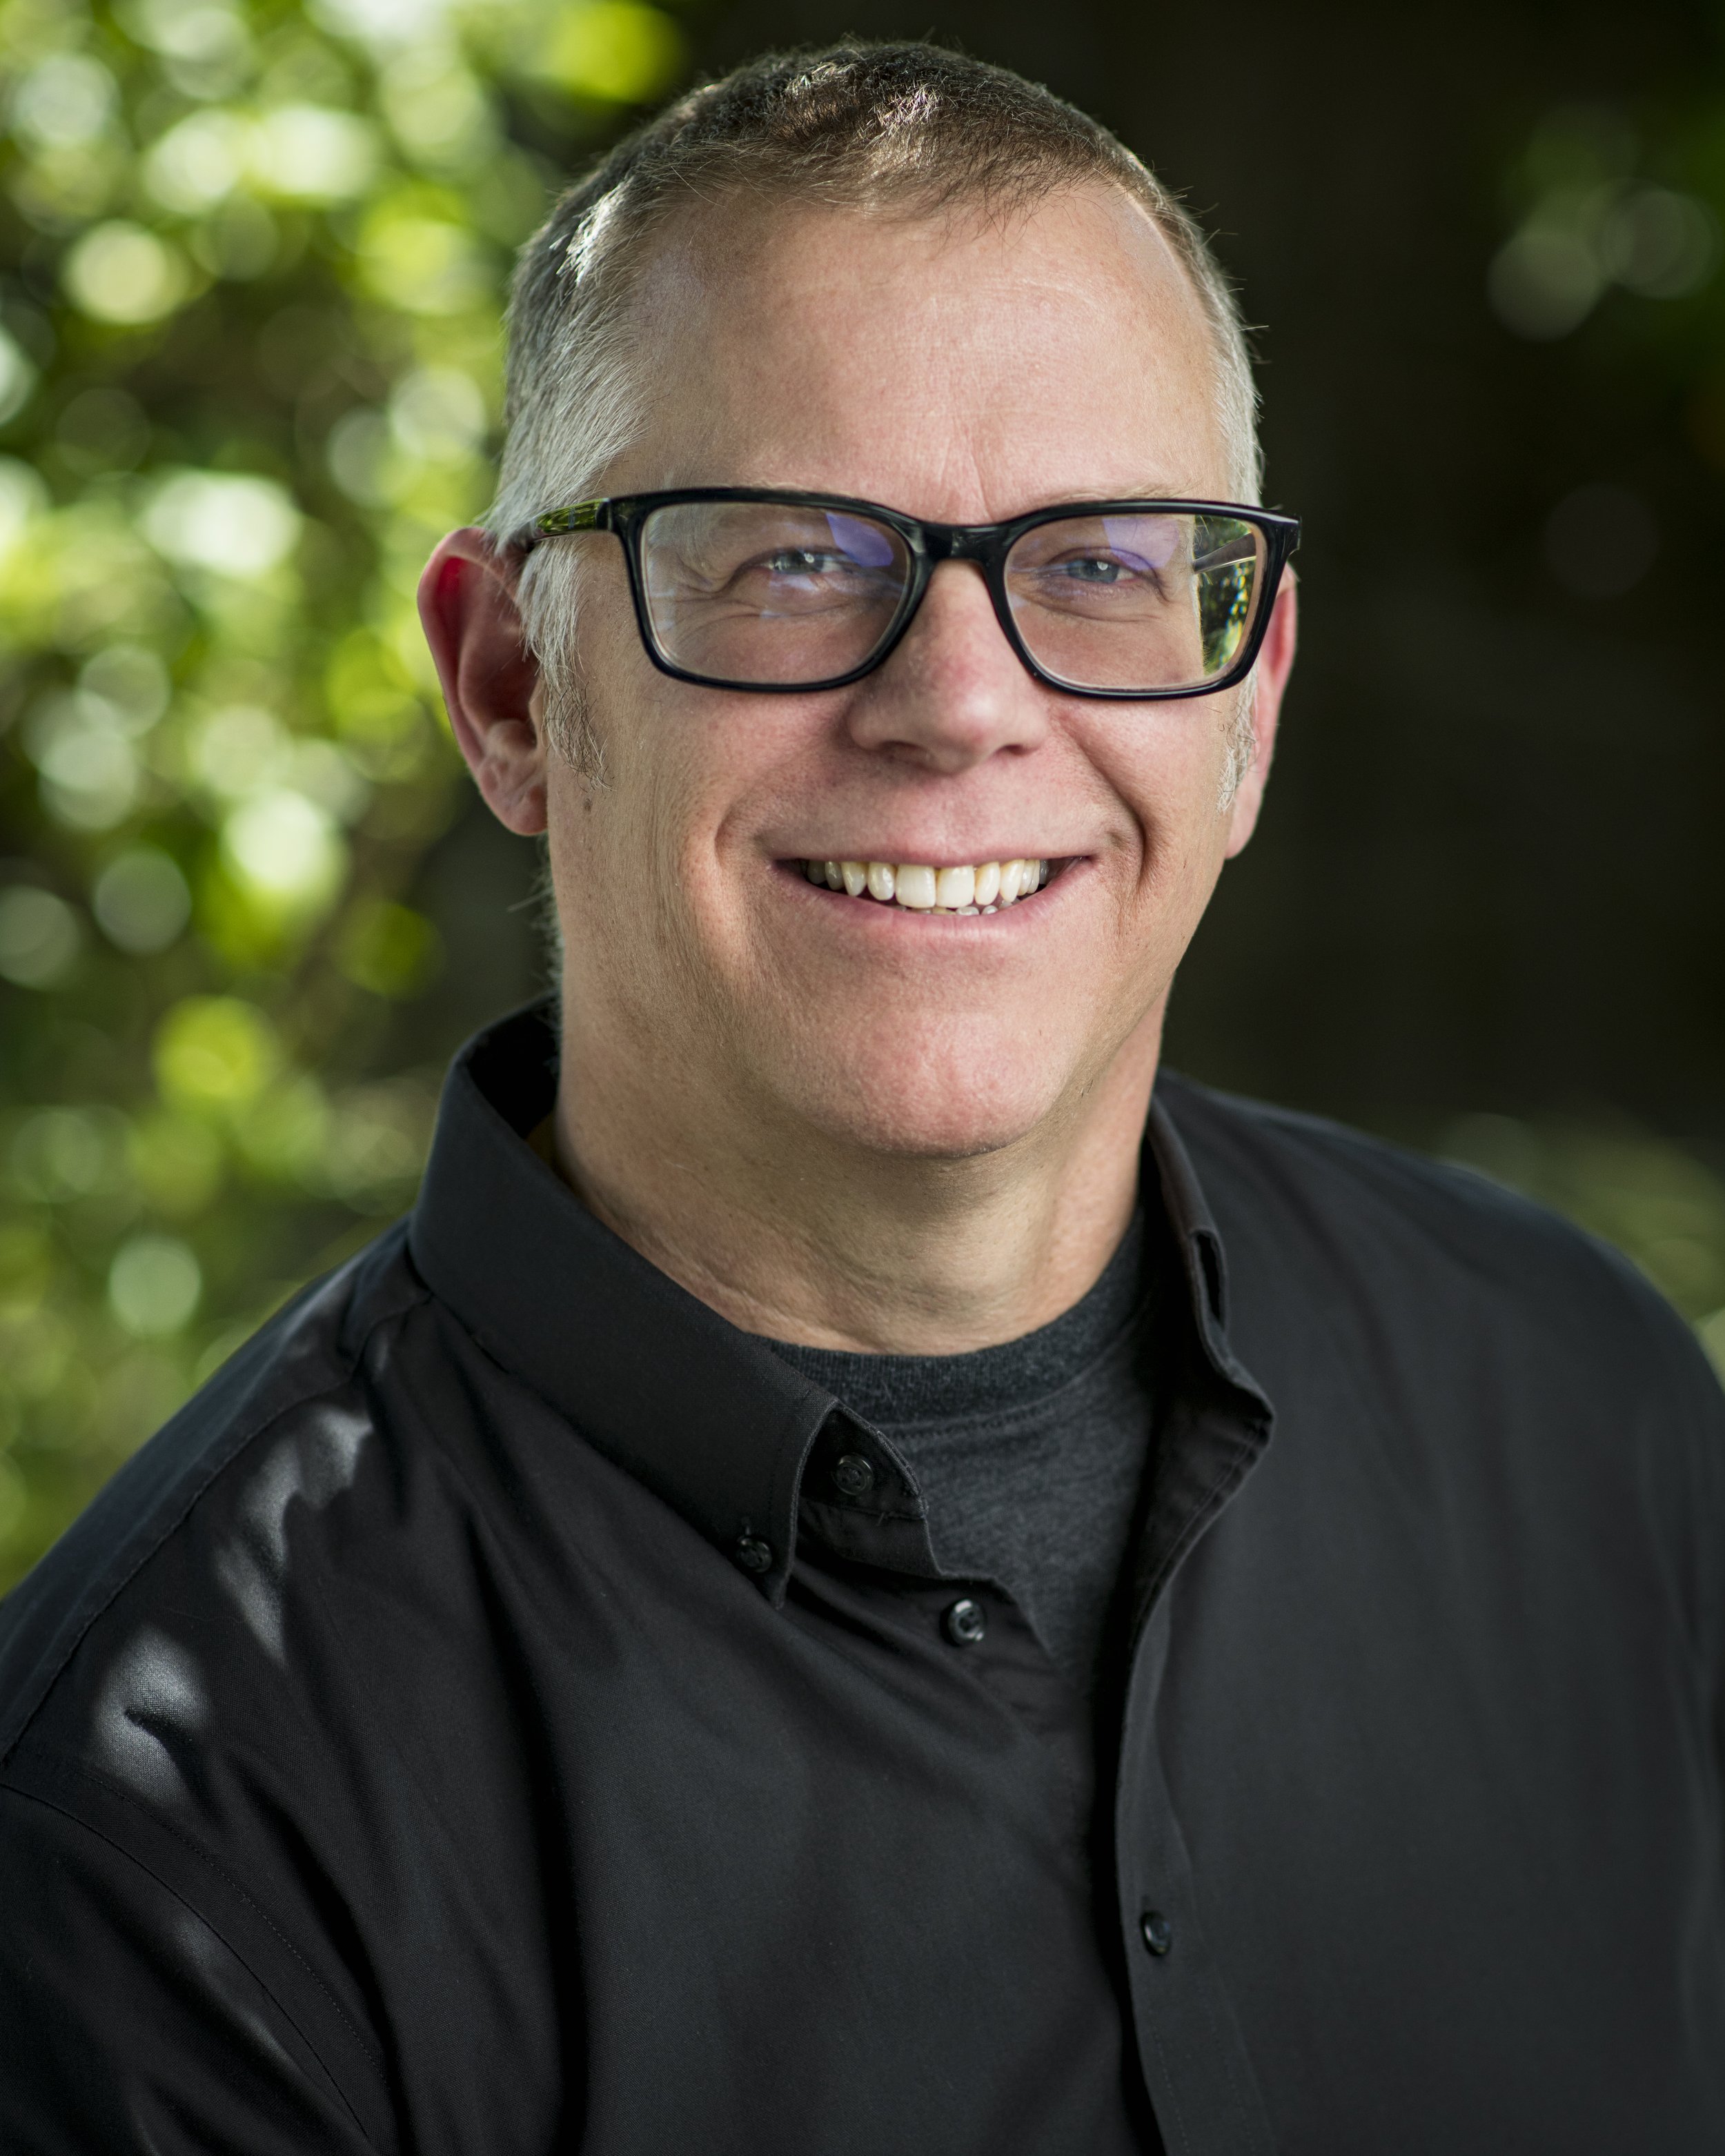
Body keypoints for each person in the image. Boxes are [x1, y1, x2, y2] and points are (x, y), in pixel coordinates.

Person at [1, 39, 1721, 2155]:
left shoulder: (1585, 1410)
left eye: (1100, 564)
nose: (960, 702)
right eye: (790, 559)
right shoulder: (158, 1835)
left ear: (1250, 711)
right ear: (512, 690)